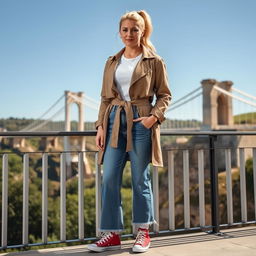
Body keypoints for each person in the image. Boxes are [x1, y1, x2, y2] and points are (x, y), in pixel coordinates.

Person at [88, 10, 171, 253]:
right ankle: (112, 234)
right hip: (113, 121)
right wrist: (100, 126)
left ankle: (142, 233)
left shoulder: (154, 61)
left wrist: (153, 118)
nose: (129, 34)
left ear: (142, 31)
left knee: (139, 179)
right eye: (125, 30)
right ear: (119, 32)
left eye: (134, 29)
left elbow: (165, 95)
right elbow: (105, 98)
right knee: (110, 178)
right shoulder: (111, 61)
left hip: (140, 122)